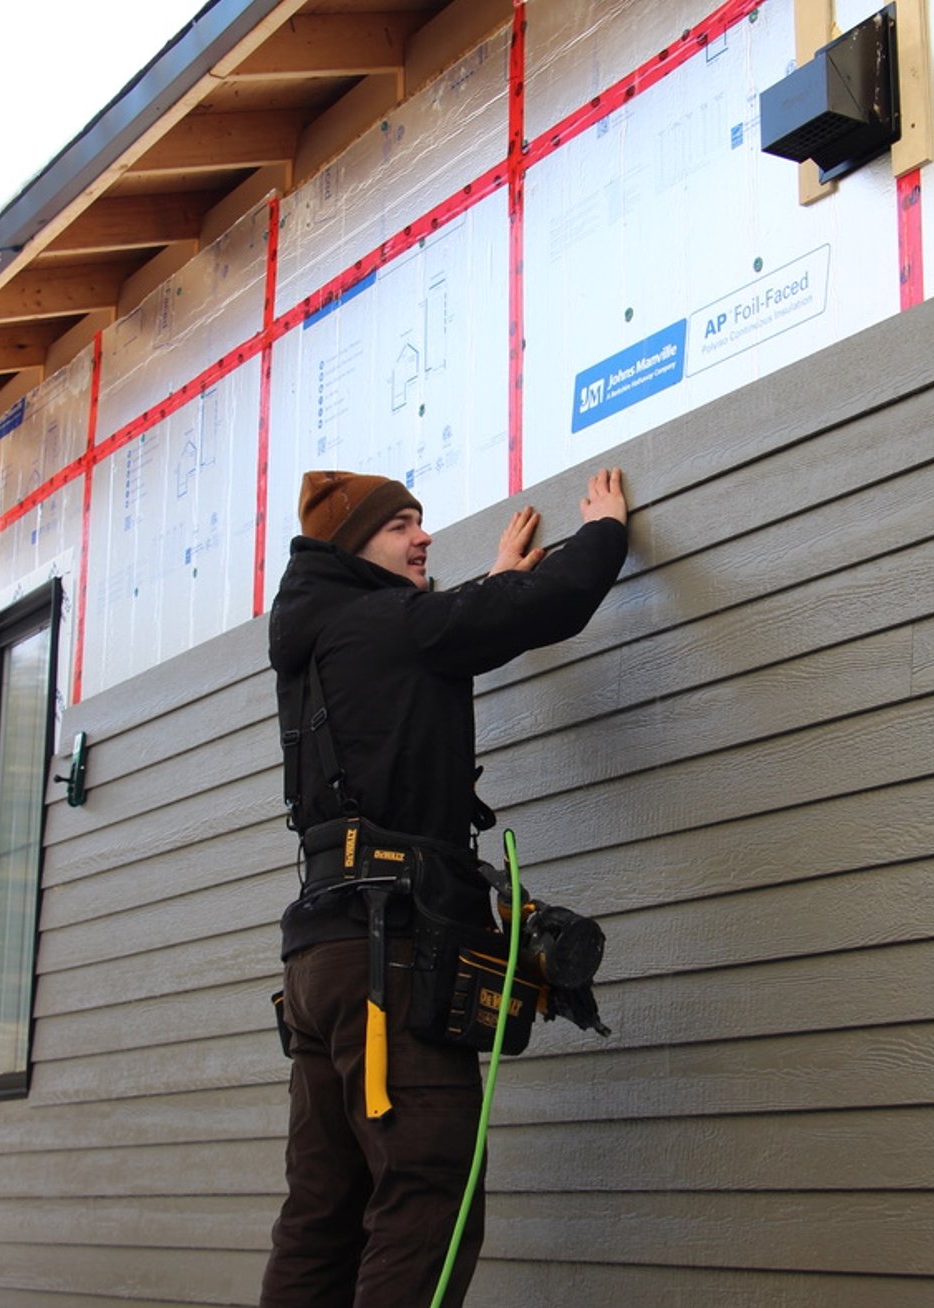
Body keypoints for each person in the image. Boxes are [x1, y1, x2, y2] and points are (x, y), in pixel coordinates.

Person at [259, 466, 629, 1308]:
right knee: (430, 1192)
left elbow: (441, 631)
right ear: (354, 548)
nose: (424, 536)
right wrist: (604, 531)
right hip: (388, 953)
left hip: (323, 959)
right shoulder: (385, 622)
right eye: (401, 527)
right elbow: (531, 611)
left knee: (322, 1212)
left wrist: (494, 581)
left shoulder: (324, 636)